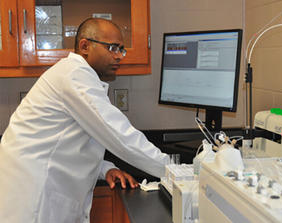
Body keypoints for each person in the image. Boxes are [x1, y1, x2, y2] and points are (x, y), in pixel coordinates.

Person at [0, 18, 169, 223]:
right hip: (35, 200)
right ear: (85, 46)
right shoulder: (74, 75)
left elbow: (68, 140)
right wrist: (176, 171)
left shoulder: (74, 76)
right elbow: (119, 135)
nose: (118, 57)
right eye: (113, 48)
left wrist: (105, 168)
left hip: (40, 190)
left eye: (121, 50)